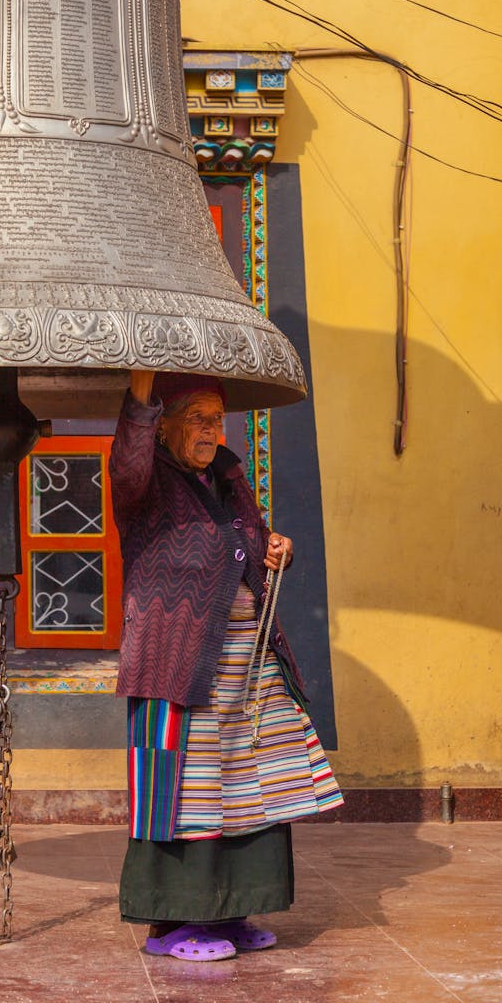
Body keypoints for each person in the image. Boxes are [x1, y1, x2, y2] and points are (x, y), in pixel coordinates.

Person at [109, 369, 343, 962]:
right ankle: (178, 922)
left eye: (218, 419)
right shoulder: (144, 481)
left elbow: (251, 541)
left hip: (245, 661)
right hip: (178, 664)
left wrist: (276, 548)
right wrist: (141, 389)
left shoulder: (228, 476)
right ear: (163, 428)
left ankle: (232, 910)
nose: (213, 430)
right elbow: (128, 464)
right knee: (188, 792)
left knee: (247, 785)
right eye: (198, 419)